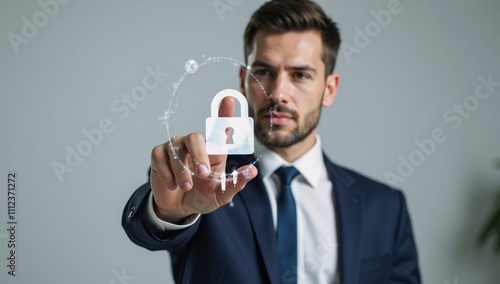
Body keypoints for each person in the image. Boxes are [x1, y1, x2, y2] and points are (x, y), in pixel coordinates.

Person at [122, 0, 421, 283]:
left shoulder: (384, 207)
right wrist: (171, 212)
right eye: (263, 72)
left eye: (300, 75)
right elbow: (147, 229)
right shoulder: (201, 180)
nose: (278, 93)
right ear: (243, 80)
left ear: (329, 89)